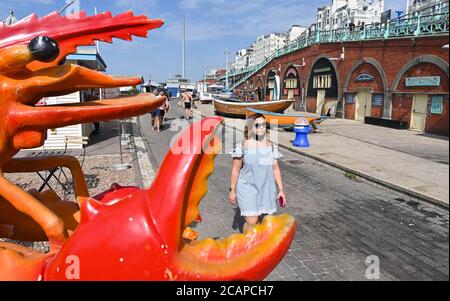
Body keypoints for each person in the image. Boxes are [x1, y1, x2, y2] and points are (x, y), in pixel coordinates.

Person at [228, 114, 287, 233]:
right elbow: (235, 170)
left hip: (266, 188)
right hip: (247, 187)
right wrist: (232, 190)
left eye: (264, 125)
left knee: (265, 221)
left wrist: (281, 190)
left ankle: (259, 246)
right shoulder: (243, 146)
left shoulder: (271, 146)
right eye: (257, 125)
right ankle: (247, 243)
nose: (261, 127)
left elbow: (275, 169)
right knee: (252, 221)